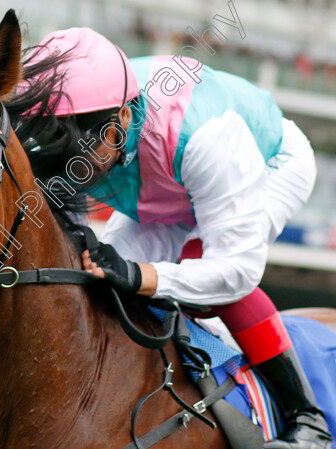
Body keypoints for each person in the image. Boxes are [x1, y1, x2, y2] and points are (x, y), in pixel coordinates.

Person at [21, 27, 331, 449]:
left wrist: (140, 274)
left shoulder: (208, 139)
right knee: (103, 287)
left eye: (86, 148)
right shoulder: (73, 131)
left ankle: (306, 418)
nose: (80, 170)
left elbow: (235, 270)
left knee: (198, 263)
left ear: (124, 116)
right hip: (162, 180)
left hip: (267, 161)